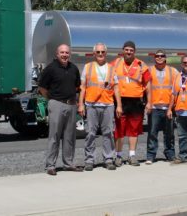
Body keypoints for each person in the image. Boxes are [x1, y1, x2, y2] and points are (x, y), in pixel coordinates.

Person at [39, 44, 83, 176]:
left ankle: (68, 163)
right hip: (56, 104)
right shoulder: (50, 69)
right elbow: (42, 88)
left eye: (67, 53)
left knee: (70, 136)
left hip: (71, 104)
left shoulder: (74, 68)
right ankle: (51, 165)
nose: (65, 55)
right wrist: (51, 100)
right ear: (57, 54)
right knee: (54, 136)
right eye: (62, 53)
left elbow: (77, 87)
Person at [78, 43, 117, 171]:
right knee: (90, 133)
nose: (100, 54)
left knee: (108, 133)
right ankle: (89, 160)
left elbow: (116, 88)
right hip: (91, 105)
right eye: (98, 52)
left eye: (103, 52)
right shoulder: (88, 67)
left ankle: (109, 159)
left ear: (106, 53)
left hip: (108, 105)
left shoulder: (111, 68)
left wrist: (119, 105)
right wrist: (80, 104)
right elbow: (83, 87)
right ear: (94, 54)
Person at [112, 40, 150, 166]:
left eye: (131, 50)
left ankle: (132, 155)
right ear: (123, 50)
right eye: (126, 50)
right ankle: (118, 155)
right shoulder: (116, 63)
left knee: (133, 130)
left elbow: (148, 84)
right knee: (119, 129)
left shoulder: (141, 65)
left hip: (136, 101)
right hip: (120, 100)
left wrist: (149, 101)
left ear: (134, 52)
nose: (128, 52)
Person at [144, 49, 179, 164]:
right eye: (157, 56)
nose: (159, 57)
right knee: (152, 132)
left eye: (162, 56)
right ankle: (150, 155)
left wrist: (173, 107)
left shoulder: (173, 71)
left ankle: (170, 154)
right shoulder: (149, 70)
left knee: (169, 133)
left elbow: (177, 89)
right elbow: (144, 87)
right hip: (154, 107)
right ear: (154, 58)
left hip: (168, 108)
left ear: (165, 58)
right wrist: (147, 103)